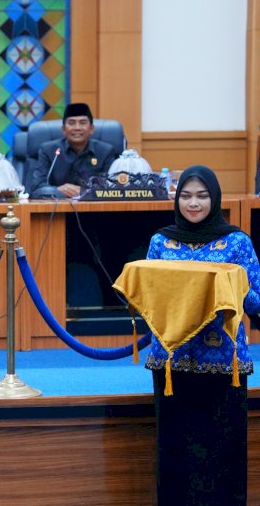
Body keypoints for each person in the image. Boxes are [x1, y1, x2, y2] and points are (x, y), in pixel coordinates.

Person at [145, 165, 260, 505]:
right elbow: (148, 293)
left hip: (224, 363)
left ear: (216, 198)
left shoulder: (237, 242)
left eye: (202, 196)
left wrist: (229, 285)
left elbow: (255, 300)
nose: (193, 204)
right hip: (171, 363)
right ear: (177, 199)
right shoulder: (160, 240)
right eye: (186, 196)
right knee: (176, 450)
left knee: (222, 451)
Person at [28, 102, 118, 198]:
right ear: (63, 129)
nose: (77, 128)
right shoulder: (49, 151)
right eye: (71, 123)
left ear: (91, 129)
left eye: (83, 123)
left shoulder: (105, 151)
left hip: (93, 210)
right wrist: (57, 190)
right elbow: (36, 188)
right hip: (58, 209)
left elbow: (111, 188)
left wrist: (84, 191)